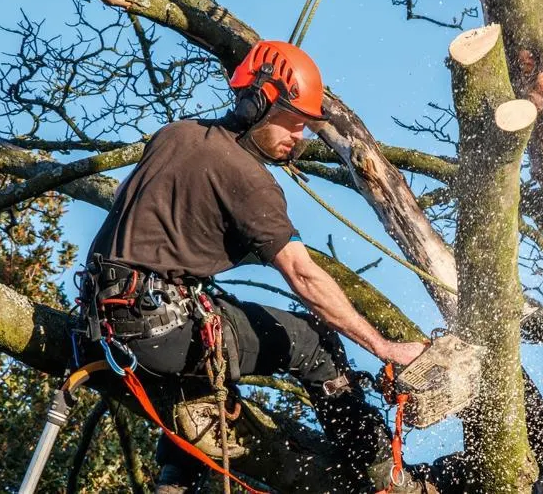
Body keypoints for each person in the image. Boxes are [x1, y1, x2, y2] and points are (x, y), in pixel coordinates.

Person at [84, 41, 430, 493]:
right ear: (258, 104)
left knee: (214, 337)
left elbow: (128, 206)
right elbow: (302, 275)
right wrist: (385, 348)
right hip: (159, 332)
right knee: (313, 340)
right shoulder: (249, 179)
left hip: (100, 323)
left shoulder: (175, 135)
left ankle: (175, 479)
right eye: (294, 123)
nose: (299, 137)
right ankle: (385, 476)